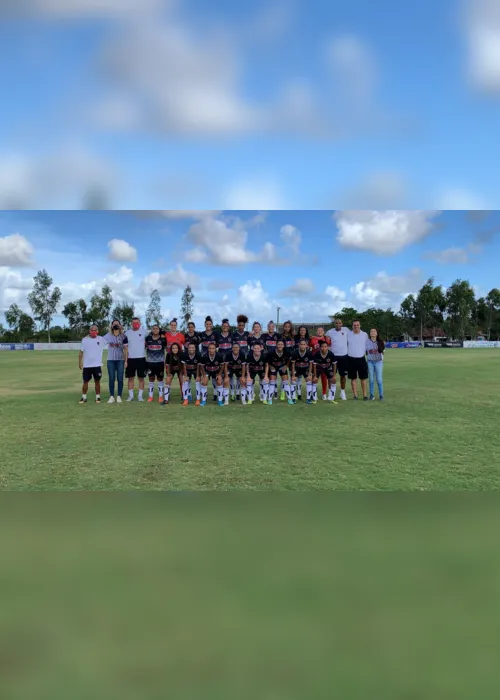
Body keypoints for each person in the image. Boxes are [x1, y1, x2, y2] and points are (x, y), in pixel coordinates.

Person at [102, 319, 128, 404]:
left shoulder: (124, 336)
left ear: (120, 326)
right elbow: (99, 341)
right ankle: (112, 396)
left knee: (120, 378)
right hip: (111, 360)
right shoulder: (108, 336)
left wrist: (126, 361)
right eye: (114, 324)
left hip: (120, 360)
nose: (116, 326)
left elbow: (126, 350)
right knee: (111, 378)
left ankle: (119, 396)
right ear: (111, 326)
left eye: (117, 324)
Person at [78, 324, 104, 404]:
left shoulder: (101, 339)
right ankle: (84, 397)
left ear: (98, 331)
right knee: (85, 381)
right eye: (92, 330)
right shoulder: (85, 340)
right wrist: (80, 362)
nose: (93, 332)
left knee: (97, 381)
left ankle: (98, 397)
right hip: (87, 366)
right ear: (89, 331)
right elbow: (81, 352)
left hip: (97, 365)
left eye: (95, 330)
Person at [126, 317, 148, 402]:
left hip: (141, 358)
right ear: (131, 324)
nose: (135, 324)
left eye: (137, 322)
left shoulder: (144, 332)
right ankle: (130, 396)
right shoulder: (127, 333)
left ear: (140, 323)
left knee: (141, 378)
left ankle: (140, 396)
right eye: (134, 322)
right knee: (130, 378)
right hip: (130, 358)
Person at [326, 318, 349, 401]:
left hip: (344, 356)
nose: (338, 324)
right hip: (333, 357)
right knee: (331, 375)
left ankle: (342, 392)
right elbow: (325, 341)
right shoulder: (329, 332)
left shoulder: (346, 330)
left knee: (343, 375)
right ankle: (330, 393)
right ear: (334, 324)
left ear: (342, 323)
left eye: (339, 323)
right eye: (336, 323)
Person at [199, 341, 227, 406]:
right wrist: (203, 375)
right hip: (207, 371)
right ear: (208, 349)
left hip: (216, 371)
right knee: (204, 382)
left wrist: (219, 374)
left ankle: (220, 400)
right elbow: (202, 366)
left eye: (213, 348)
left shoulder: (220, 356)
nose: (211, 350)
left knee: (219, 382)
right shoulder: (204, 356)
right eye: (210, 348)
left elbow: (222, 366)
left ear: (215, 349)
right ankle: (203, 400)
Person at [267, 338, 293, 404]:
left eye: (282, 344)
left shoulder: (287, 352)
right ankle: (269, 399)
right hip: (273, 366)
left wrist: (286, 366)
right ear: (276, 345)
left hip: (282, 367)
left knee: (286, 383)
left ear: (284, 345)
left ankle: (289, 399)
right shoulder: (271, 352)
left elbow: (290, 359)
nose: (280, 346)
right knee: (272, 383)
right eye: (279, 344)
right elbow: (267, 361)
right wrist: (271, 366)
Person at [145, 323, 167, 403]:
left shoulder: (163, 339)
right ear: (152, 330)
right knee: (151, 379)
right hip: (150, 362)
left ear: (159, 330)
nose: (155, 330)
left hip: (160, 362)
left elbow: (165, 350)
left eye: (156, 328)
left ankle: (161, 396)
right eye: (153, 328)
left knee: (160, 379)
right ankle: (150, 397)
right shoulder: (148, 338)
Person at [348, 320, 369, 400]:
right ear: (352, 326)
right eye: (354, 325)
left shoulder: (364, 334)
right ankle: (355, 395)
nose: (356, 326)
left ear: (360, 325)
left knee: (363, 378)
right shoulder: (348, 334)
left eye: (357, 325)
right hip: (351, 359)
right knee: (353, 378)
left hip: (361, 359)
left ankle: (364, 395)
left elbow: (367, 346)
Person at [199, 316, 219, 400]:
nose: (208, 325)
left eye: (210, 324)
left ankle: (215, 394)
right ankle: (204, 394)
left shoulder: (215, 334)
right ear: (204, 324)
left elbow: (218, 345)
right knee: (204, 377)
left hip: (213, 358)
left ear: (212, 325)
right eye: (207, 324)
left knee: (215, 378)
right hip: (205, 359)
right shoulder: (201, 334)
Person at [310, 326, 331, 401]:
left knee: (324, 377)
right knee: (314, 376)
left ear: (324, 331)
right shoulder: (312, 339)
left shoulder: (327, 339)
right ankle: (313, 393)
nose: (320, 331)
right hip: (315, 361)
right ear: (316, 331)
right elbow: (308, 346)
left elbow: (329, 347)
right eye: (318, 330)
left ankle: (324, 393)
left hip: (324, 361)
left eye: (321, 330)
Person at [313, 340, 338, 404]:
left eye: (325, 346)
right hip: (318, 368)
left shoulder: (331, 354)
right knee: (314, 380)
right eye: (322, 347)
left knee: (333, 380)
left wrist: (334, 375)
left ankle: (331, 398)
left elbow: (334, 364)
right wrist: (315, 376)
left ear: (328, 347)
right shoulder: (317, 354)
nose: (324, 348)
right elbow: (314, 365)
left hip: (328, 368)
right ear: (320, 347)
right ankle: (314, 398)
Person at [224, 339, 248, 405]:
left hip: (239, 369)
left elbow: (243, 366)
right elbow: (225, 365)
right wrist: (226, 376)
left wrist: (243, 376)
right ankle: (226, 400)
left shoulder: (242, 354)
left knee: (243, 381)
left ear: (239, 348)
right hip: (230, 369)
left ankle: (243, 400)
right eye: (234, 347)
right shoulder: (228, 354)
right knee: (226, 381)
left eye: (237, 347)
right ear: (232, 348)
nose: (235, 349)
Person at [181, 340, 202, 406]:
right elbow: (184, 366)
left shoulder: (198, 354)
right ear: (188, 348)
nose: (191, 349)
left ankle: (198, 399)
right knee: (185, 381)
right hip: (187, 370)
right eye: (190, 347)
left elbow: (199, 366)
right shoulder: (184, 354)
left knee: (198, 382)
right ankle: (185, 399)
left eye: (193, 347)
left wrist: (198, 376)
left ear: (195, 348)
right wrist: (185, 375)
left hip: (196, 370)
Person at [366, 328, 385, 401]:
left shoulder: (380, 342)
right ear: (370, 333)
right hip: (370, 362)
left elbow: (383, 352)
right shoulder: (367, 341)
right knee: (371, 379)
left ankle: (381, 395)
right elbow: (365, 351)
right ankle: (371, 395)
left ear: (377, 333)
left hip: (378, 362)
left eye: (374, 331)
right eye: (371, 331)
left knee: (379, 379)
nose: (373, 332)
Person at [263, 321, 279, 398]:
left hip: (275, 358)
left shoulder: (277, 335)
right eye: (269, 326)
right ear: (267, 327)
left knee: (274, 374)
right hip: (267, 357)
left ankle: (275, 391)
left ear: (274, 327)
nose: (271, 328)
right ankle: (269, 390)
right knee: (268, 374)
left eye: (272, 326)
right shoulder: (264, 335)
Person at [279, 320, 295, 400]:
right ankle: (282, 392)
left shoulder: (293, 336)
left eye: (288, 327)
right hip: (284, 359)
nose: (287, 328)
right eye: (285, 327)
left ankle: (292, 393)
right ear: (283, 327)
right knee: (284, 377)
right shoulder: (281, 336)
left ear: (290, 327)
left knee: (293, 376)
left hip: (293, 360)